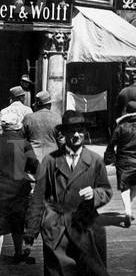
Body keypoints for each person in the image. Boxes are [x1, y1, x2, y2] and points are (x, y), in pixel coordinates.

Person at [25, 111, 113, 274]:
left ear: (85, 133)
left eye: (80, 130)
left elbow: (106, 190)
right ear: (63, 133)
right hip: (57, 231)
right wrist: (30, 234)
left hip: (87, 229)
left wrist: (95, 194)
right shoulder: (50, 161)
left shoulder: (95, 160)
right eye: (72, 131)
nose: (76, 135)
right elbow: (38, 197)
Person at [104, 99, 136, 226]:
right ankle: (129, 209)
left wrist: (109, 157)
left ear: (127, 112)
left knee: (124, 187)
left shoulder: (120, 127)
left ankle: (127, 210)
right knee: (135, 186)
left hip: (123, 161)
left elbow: (111, 144)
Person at [0, 112, 38, 265]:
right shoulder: (24, 144)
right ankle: (18, 252)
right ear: (18, 127)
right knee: (17, 223)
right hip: (18, 190)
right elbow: (35, 165)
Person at [23, 91, 61, 162]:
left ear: (37, 106)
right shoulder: (57, 118)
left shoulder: (28, 118)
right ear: (49, 104)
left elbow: (22, 138)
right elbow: (61, 140)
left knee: (31, 173)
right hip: (52, 156)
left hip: (32, 156)